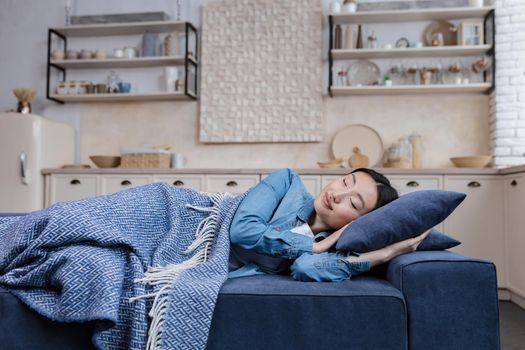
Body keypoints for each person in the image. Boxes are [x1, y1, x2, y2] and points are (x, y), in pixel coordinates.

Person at [228, 168, 431, 282]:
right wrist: (313, 246)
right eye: (345, 182)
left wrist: (385, 254)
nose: (336, 195)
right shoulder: (287, 181)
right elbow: (242, 230)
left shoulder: (331, 249)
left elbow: (304, 268)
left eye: (353, 203)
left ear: (361, 221)